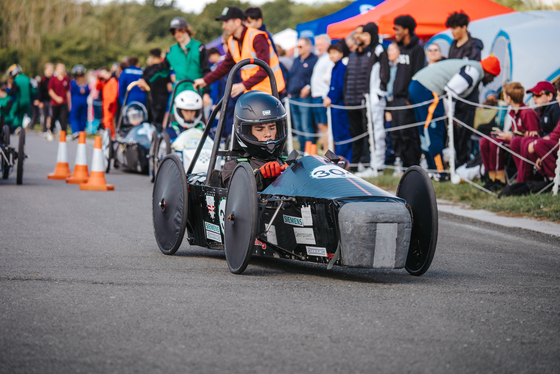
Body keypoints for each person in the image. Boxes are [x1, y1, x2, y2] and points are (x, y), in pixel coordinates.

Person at [410, 56, 501, 181]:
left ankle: (431, 170)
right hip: (428, 89)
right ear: (488, 72)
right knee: (433, 132)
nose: (491, 81)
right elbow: (450, 91)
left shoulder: (472, 67)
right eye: (492, 77)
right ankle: (439, 172)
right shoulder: (473, 71)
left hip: (418, 85)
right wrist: (450, 116)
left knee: (425, 132)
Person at [193, 7, 285, 98]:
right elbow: (225, 66)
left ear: (237, 22)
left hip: (271, 91)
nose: (223, 26)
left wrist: (243, 85)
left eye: (226, 22)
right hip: (252, 92)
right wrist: (205, 81)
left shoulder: (257, 37)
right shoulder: (232, 41)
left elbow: (265, 68)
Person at [221, 90, 288, 191]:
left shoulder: (286, 163)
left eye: (272, 127)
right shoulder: (233, 167)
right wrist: (261, 176)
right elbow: (236, 190)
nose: (268, 134)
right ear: (247, 132)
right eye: (260, 129)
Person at [345, 23, 388, 173]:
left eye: (365, 35)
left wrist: (379, 93)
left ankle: (378, 165)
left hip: (376, 97)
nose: (363, 38)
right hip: (369, 97)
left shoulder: (379, 50)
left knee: (377, 131)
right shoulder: (371, 50)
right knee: (371, 130)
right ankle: (374, 164)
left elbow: (384, 73)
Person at [139, 17, 211, 107]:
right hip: (178, 93)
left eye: (179, 30)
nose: (177, 34)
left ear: (186, 29)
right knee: (174, 119)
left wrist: (207, 93)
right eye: (174, 32)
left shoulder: (199, 48)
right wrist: (145, 79)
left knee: (200, 120)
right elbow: (160, 69)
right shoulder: (171, 51)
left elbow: (207, 71)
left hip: (197, 92)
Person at [480, 82, 539, 189]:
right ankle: (490, 175)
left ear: (509, 97)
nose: (503, 99)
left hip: (520, 142)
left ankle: (500, 177)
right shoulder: (512, 112)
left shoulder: (526, 112)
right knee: (484, 140)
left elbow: (533, 135)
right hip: (514, 139)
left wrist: (512, 136)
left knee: (496, 143)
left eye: (504, 96)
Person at [445, 12, 484, 166]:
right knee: (453, 132)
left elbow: (473, 67)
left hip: (468, 96)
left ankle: (464, 164)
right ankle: (456, 163)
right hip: (452, 96)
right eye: (451, 28)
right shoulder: (452, 46)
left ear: (464, 27)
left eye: (455, 28)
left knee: (465, 133)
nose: (453, 32)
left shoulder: (475, 44)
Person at [390, 15, 425, 168]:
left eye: (397, 29)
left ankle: (413, 167)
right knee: (397, 134)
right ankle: (404, 166)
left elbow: (418, 74)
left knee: (408, 134)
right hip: (396, 99)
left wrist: (411, 97)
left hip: (407, 99)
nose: (395, 32)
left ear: (406, 30)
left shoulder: (417, 49)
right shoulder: (401, 48)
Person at [287, 37, 318, 150]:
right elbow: (292, 76)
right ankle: (301, 150)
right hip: (293, 96)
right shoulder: (296, 60)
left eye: (300, 46)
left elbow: (315, 77)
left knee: (306, 125)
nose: (298, 49)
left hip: (304, 97)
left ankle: (310, 150)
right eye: (297, 46)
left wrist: (308, 87)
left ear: (308, 47)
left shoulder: (313, 60)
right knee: (298, 126)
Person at [323, 43, 352, 161]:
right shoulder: (334, 67)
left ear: (341, 54)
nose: (332, 55)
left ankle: (344, 159)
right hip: (335, 106)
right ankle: (338, 158)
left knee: (342, 133)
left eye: (334, 52)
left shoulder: (341, 67)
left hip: (340, 106)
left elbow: (339, 87)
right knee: (336, 133)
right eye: (330, 53)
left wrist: (331, 97)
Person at [310, 34, 334, 151]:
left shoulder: (328, 58)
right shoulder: (321, 58)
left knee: (325, 126)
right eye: (317, 45)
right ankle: (326, 150)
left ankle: (328, 151)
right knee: (321, 126)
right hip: (317, 95)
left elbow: (329, 79)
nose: (318, 47)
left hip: (322, 96)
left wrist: (327, 96)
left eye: (321, 45)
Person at [146, 48, 172, 130]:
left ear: (152, 56)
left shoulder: (148, 69)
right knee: (160, 123)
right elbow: (169, 87)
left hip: (151, 98)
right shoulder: (165, 70)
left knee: (150, 123)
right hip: (163, 98)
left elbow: (143, 86)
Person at [384, 42, 400, 166]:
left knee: (399, 131)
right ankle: (391, 156)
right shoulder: (388, 66)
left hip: (399, 102)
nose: (389, 52)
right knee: (390, 131)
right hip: (388, 102)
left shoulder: (401, 67)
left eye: (392, 50)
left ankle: (399, 158)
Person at [6, 64, 34, 134]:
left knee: (12, 113)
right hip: (27, 101)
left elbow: (12, 91)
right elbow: (33, 90)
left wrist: (7, 92)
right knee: (21, 115)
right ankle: (20, 129)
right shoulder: (27, 78)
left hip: (19, 100)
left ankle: (15, 126)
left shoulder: (16, 79)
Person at [48, 63, 71, 135]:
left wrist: (69, 103)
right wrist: (56, 98)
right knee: (54, 117)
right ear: (56, 69)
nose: (61, 70)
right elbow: (50, 91)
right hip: (55, 103)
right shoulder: (53, 79)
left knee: (63, 118)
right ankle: (51, 130)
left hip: (64, 102)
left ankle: (64, 133)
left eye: (63, 68)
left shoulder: (66, 79)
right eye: (60, 68)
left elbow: (67, 92)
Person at [96, 67, 119, 138]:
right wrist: (99, 79)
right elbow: (97, 87)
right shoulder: (104, 82)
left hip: (110, 104)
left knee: (108, 120)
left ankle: (112, 136)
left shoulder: (113, 81)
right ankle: (108, 135)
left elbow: (115, 93)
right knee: (105, 120)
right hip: (105, 103)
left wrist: (111, 103)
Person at [69, 64, 90, 137]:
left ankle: (75, 131)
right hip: (84, 101)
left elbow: (70, 92)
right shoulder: (86, 83)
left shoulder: (73, 82)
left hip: (75, 101)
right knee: (82, 117)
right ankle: (82, 132)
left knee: (74, 116)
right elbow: (88, 92)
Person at [36, 63, 54, 140]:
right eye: (49, 69)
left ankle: (51, 129)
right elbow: (40, 91)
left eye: (51, 70)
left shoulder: (53, 79)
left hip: (52, 100)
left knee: (51, 115)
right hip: (44, 100)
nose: (50, 71)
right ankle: (44, 129)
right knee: (45, 115)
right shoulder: (43, 80)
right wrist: (40, 101)